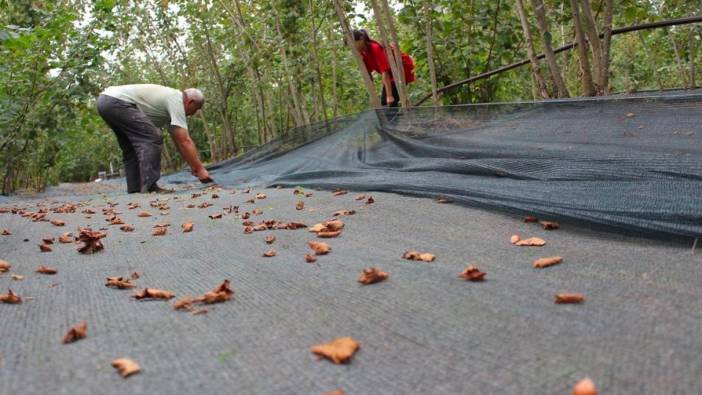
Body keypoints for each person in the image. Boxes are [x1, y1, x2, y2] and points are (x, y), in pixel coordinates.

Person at [96, 84, 212, 193]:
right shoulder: (176, 100)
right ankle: (150, 186)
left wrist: (194, 166)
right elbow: (185, 141)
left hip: (105, 101)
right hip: (117, 101)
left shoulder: (170, 105)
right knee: (152, 137)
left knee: (131, 147)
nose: (192, 114)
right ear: (190, 102)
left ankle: (135, 188)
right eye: (196, 109)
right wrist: (200, 169)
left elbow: (178, 141)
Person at [352, 29, 415, 107]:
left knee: (389, 102)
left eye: (354, 43)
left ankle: (398, 116)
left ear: (361, 40)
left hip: (401, 71)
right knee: (385, 102)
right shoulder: (362, 53)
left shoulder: (375, 47)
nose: (353, 47)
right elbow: (368, 74)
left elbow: (385, 72)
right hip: (391, 75)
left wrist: (389, 95)